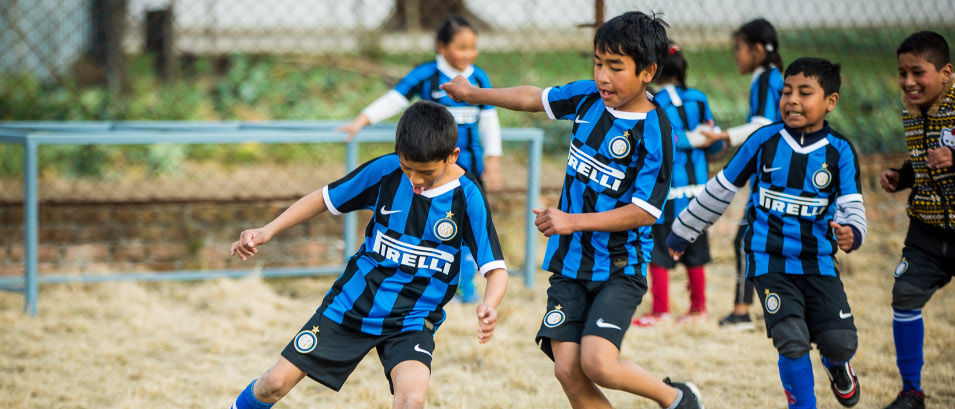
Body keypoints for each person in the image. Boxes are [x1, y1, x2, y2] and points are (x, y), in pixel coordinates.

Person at [441, 11, 703, 409]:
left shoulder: (657, 130)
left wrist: (571, 221)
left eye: (616, 67)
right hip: (570, 265)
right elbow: (535, 97)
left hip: (619, 268)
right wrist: (474, 95)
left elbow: (646, 211)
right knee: (566, 369)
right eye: (598, 63)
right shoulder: (587, 97)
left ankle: (678, 399)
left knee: (599, 363)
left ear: (648, 71)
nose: (602, 76)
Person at [229, 101, 509, 409]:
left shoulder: (467, 196)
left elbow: (495, 269)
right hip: (353, 303)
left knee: (411, 401)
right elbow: (323, 198)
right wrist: (268, 230)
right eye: (407, 168)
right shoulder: (386, 171)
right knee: (273, 385)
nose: (414, 180)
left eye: (425, 172)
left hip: (413, 318)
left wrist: (489, 304)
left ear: (452, 156)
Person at [668, 57, 866, 409]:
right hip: (767, 260)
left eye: (805, 93)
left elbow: (852, 205)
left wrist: (852, 231)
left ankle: (838, 365)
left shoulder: (840, 151)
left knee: (838, 342)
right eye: (786, 91)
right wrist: (683, 231)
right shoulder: (763, 140)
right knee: (790, 339)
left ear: (830, 102)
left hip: (817, 262)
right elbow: (721, 189)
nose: (791, 100)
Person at [337, 16, 502, 304]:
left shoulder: (479, 79)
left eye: (472, 48)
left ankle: (466, 285)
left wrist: (493, 160)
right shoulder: (426, 75)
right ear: (441, 46)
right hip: (430, 176)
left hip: (467, 173)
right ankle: (427, 282)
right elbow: (395, 99)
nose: (468, 54)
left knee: (469, 229)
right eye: (461, 47)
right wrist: (361, 120)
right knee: (434, 228)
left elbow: (490, 121)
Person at [880, 31, 954, 409]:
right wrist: (904, 176)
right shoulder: (913, 112)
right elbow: (927, 164)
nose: (908, 82)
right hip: (926, 228)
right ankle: (912, 393)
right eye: (902, 73)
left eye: (918, 72)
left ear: (946, 73)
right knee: (905, 295)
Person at [632, 41, 724, 328]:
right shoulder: (699, 98)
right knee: (694, 248)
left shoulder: (653, 101)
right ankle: (699, 309)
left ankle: (660, 311)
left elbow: (660, 141)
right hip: (699, 191)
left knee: (658, 250)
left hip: (667, 191)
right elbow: (713, 142)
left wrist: (684, 139)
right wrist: (702, 141)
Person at [702, 18, 785, 330]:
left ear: (759, 49)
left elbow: (763, 126)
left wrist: (723, 136)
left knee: (746, 238)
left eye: (739, 49)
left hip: (774, 173)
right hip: (771, 171)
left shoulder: (766, 79)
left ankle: (742, 311)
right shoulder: (766, 78)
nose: (735, 55)